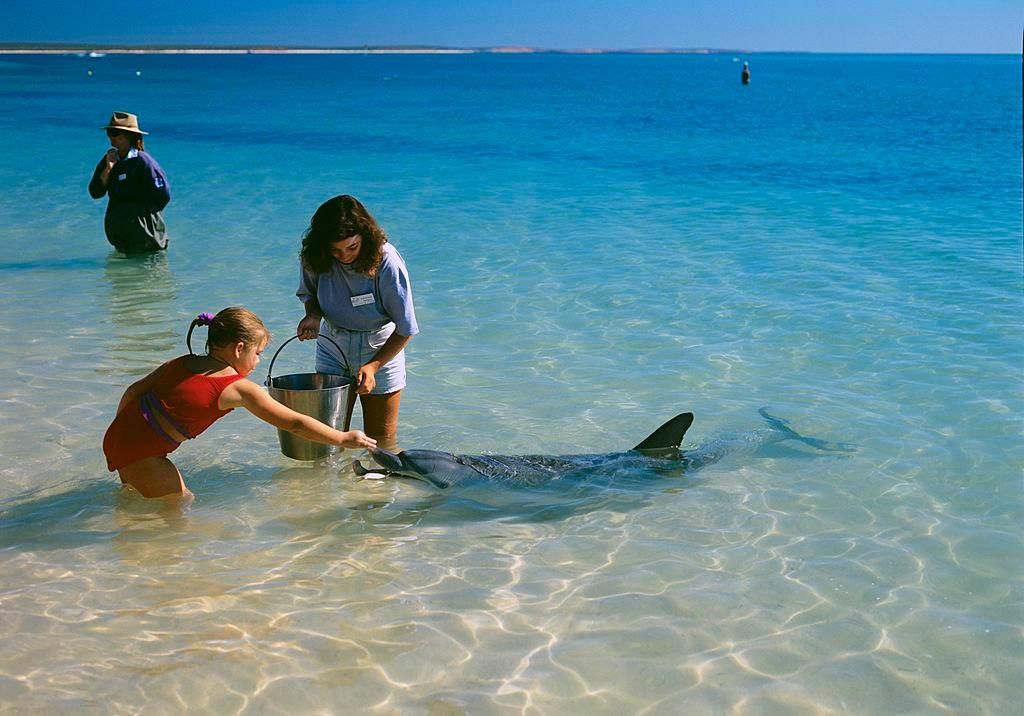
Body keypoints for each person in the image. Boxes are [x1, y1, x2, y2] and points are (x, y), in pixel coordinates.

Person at [103, 307, 376, 499]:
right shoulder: (237, 388)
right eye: (257, 353)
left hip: (120, 435)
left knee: (134, 500)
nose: (258, 362)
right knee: (181, 505)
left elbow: (132, 392)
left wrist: (122, 434)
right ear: (238, 349)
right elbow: (294, 422)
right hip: (142, 452)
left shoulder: (180, 363)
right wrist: (342, 438)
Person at [296, 195, 419, 444]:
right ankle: (328, 484)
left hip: (381, 347)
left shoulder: (387, 261)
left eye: (352, 247)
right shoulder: (315, 256)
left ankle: (374, 484)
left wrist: (373, 366)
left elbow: (405, 328)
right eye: (335, 250)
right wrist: (313, 315)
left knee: (381, 440)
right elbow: (310, 295)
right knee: (326, 437)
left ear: (365, 235)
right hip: (332, 344)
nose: (344, 256)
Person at [88, 111, 171, 254]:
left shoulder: (143, 161)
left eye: (115, 133)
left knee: (149, 274)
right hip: (120, 236)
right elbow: (95, 192)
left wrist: (142, 216)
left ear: (129, 136)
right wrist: (108, 169)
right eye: (109, 132)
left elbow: (163, 195)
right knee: (121, 275)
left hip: (147, 237)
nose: (110, 137)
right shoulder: (108, 159)